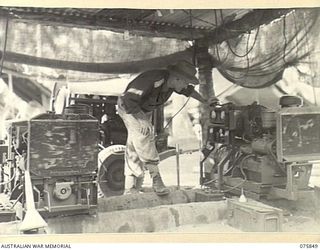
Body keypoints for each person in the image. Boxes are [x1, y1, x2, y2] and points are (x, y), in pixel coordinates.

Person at [117, 60, 218, 196]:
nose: (186, 85)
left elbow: (189, 91)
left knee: (135, 143)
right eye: (185, 82)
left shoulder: (173, 84)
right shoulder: (153, 78)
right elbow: (128, 99)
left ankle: (131, 187)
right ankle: (156, 179)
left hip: (144, 109)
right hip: (129, 107)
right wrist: (141, 120)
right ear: (176, 78)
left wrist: (205, 101)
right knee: (144, 134)